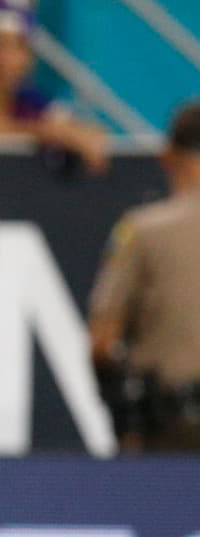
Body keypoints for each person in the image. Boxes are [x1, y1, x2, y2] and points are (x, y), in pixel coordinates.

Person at [89, 99, 200, 452]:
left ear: (168, 155)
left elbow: (102, 342)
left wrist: (121, 412)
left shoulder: (145, 230)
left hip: (173, 427)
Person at [0, 0, 108, 175]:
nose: (3, 59)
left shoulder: (36, 102)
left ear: (28, 57)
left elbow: (86, 133)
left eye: (15, 47)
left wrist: (69, 133)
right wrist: (41, 132)